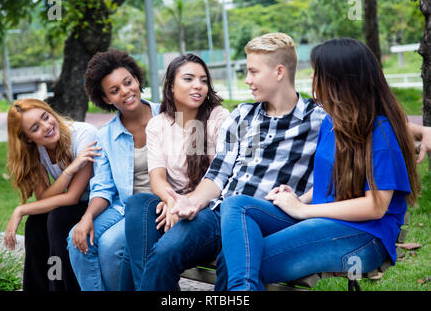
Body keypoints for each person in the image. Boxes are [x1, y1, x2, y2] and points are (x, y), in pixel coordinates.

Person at [160, 33, 431, 291]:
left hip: (362, 234)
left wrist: (303, 211)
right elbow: (332, 182)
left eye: (317, 72)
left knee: (238, 262)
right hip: (325, 221)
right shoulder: (333, 122)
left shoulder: (380, 132)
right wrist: (299, 198)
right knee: (236, 205)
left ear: (340, 79)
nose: (311, 77)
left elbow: (375, 206)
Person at [120, 53, 229, 290]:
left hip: (208, 210)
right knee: (138, 204)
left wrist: (183, 204)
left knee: (136, 251)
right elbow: (157, 177)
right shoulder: (159, 124)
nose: (198, 86)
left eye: (203, 80)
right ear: (170, 86)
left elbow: (222, 177)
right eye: (188, 79)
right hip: (175, 208)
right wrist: (171, 201)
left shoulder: (217, 117)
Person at [66, 49, 160, 291]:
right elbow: (103, 187)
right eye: (114, 90)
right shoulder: (105, 135)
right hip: (125, 205)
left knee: (109, 245)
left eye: (128, 82)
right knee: (77, 239)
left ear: (137, 80)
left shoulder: (168, 115)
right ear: (107, 99)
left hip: (158, 205)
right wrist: (86, 218)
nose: (125, 92)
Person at [4, 98, 98, 291]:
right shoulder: (36, 150)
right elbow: (43, 199)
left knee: (57, 218)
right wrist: (69, 171)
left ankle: (60, 287)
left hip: (100, 203)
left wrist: (20, 209)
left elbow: (72, 196)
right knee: (35, 223)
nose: (47, 127)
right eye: (35, 128)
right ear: (27, 138)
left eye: (46, 117)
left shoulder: (84, 135)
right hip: (76, 205)